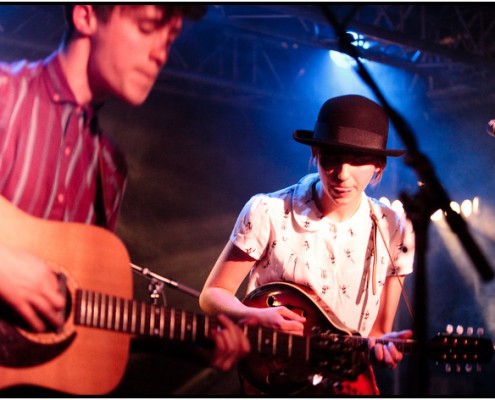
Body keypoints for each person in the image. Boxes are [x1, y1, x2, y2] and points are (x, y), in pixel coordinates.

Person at [0, 4, 250, 390]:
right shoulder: (5, 96)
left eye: (170, 39)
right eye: (149, 28)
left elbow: (85, 319)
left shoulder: (109, 169)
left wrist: (187, 344)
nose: (162, 53)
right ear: (85, 16)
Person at [199, 94, 416, 395]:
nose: (341, 173)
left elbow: (377, 333)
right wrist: (255, 316)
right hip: (276, 380)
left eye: (356, 161)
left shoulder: (396, 226)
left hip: (345, 385)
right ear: (315, 152)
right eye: (331, 158)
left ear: (379, 165)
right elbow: (212, 295)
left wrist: (381, 348)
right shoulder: (268, 210)